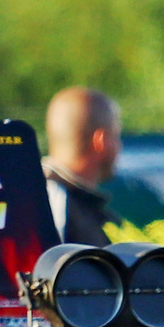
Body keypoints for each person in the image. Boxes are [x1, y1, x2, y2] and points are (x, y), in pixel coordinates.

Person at [44, 87, 121, 246]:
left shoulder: (69, 201)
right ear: (101, 140)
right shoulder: (52, 201)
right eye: (116, 136)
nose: (120, 146)